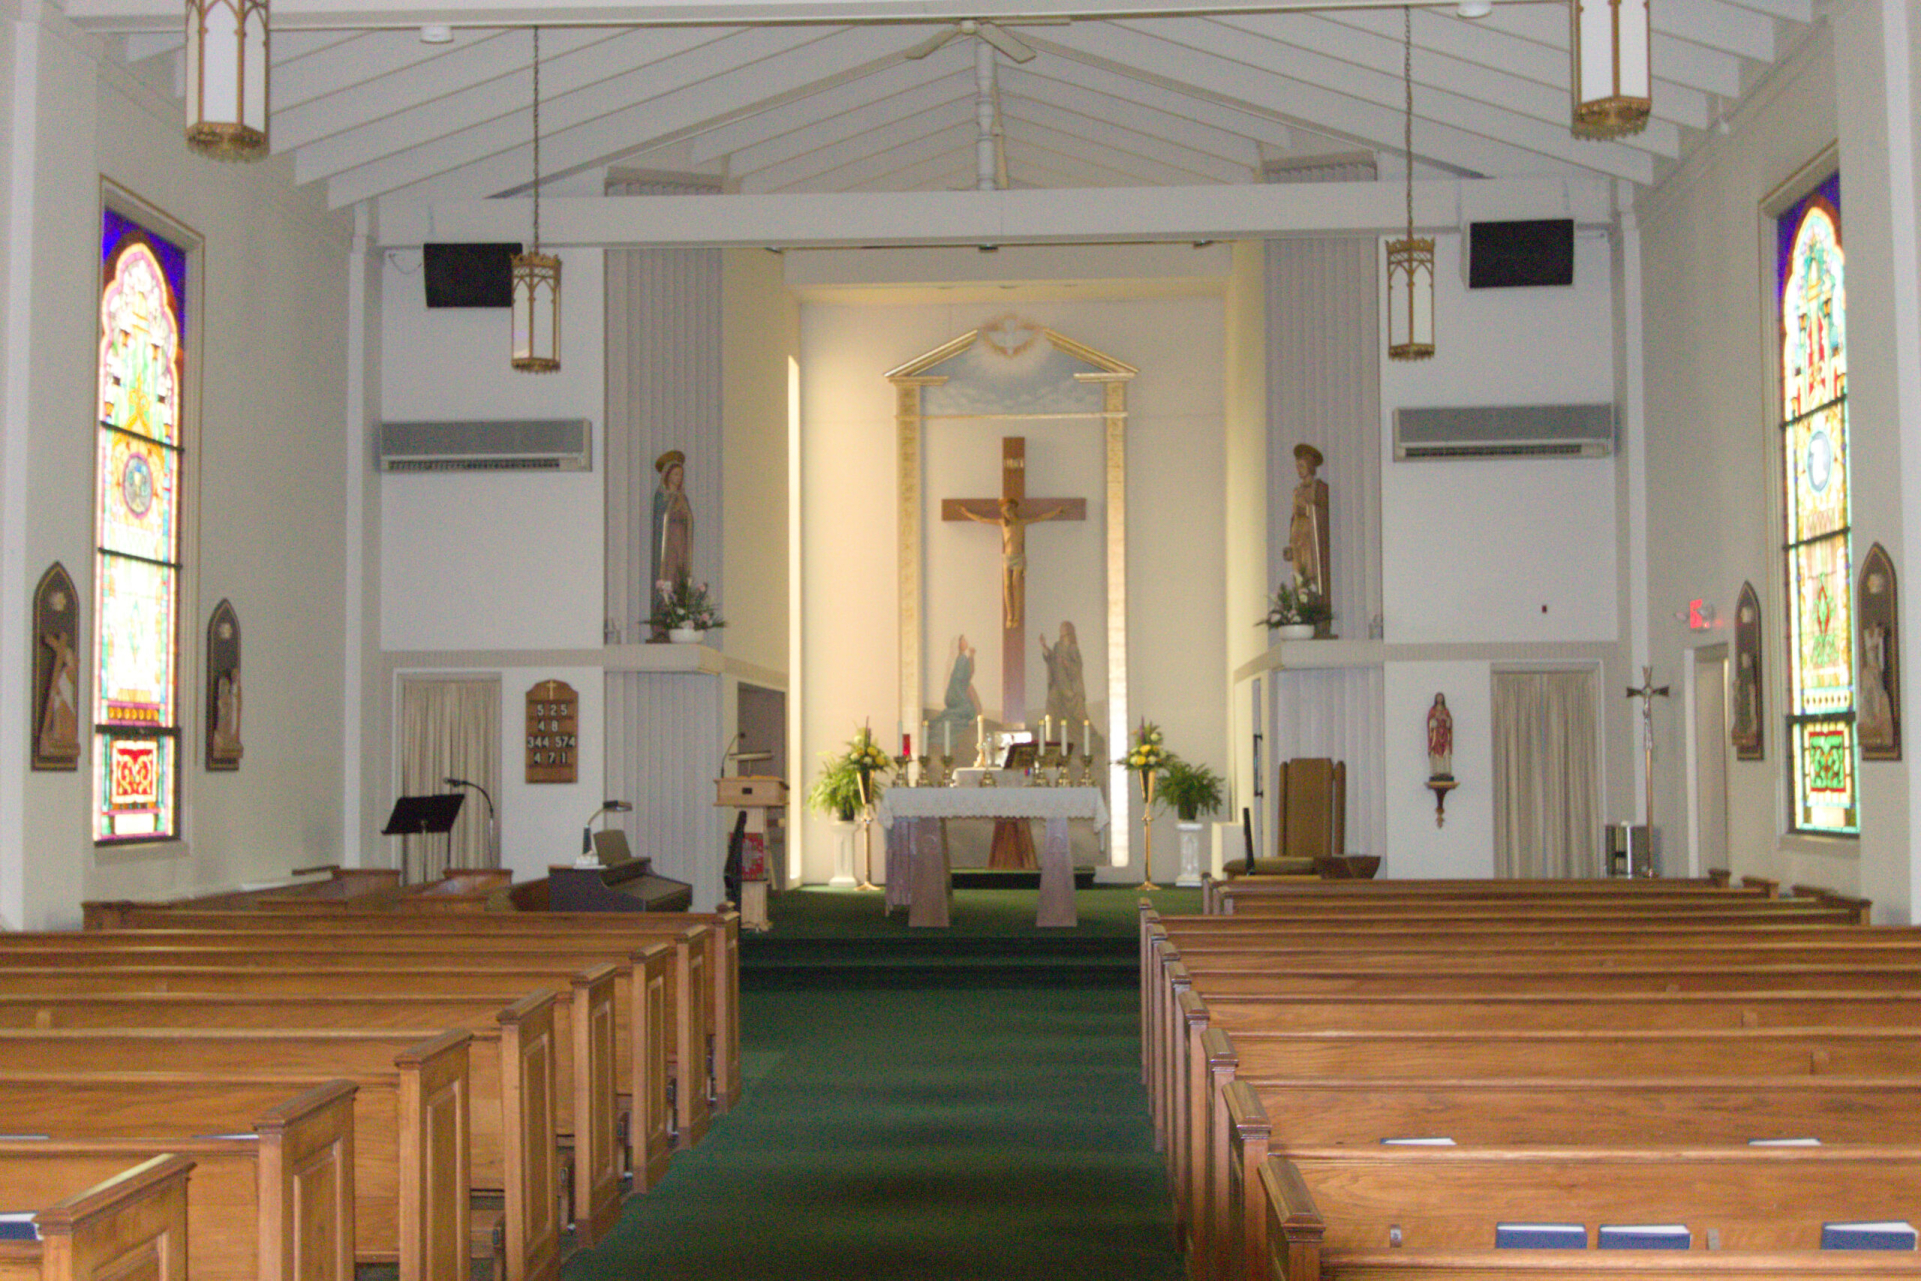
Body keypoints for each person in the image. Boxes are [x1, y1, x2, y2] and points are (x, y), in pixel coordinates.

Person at [959, 497, 1071, 630]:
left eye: (1008, 510)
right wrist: (966, 513)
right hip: (1007, 558)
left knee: (1016, 584)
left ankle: (1017, 616)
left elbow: (1040, 517)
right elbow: (982, 519)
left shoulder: (1021, 523)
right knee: (1007, 586)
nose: (1007, 513)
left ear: (1013, 509)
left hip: (1018, 558)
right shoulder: (1003, 523)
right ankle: (1009, 615)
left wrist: (1056, 512)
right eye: (1004, 511)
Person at [650, 450, 693, 639]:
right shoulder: (661, 495)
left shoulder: (683, 498)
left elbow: (690, 520)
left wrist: (683, 512)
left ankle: (678, 618)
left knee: (679, 577)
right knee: (666, 576)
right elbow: (661, 518)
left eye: (680, 475)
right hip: (666, 544)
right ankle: (661, 624)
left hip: (680, 542)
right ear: (667, 475)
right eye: (675, 474)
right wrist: (671, 507)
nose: (678, 478)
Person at [1284, 442, 1330, 604]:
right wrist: (1290, 543)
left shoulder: (1319, 487)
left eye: (1302, 465)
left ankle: (1312, 606)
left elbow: (1322, 512)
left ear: (1310, 467)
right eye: (1297, 466)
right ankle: (1301, 606)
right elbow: (1293, 517)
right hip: (1298, 536)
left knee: (1310, 573)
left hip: (1311, 537)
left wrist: (1309, 510)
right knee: (1298, 575)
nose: (1299, 469)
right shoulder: (1296, 491)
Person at [932, 634, 982, 752]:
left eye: (965, 639)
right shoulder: (961, 658)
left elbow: (968, 674)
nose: (965, 642)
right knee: (965, 711)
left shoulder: (963, 658)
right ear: (958, 644)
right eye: (963, 640)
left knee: (968, 711)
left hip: (961, 689)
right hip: (958, 692)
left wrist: (972, 657)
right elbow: (959, 678)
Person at [1040, 620, 1088, 732]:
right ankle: (1052, 733)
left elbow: (1078, 667)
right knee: (1051, 701)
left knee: (1076, 710)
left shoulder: (1073, 648)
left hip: (1069, 687)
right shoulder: (1057, 646)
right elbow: (1051, 658)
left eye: (1065, 634)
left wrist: (1067, 664)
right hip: (1058, 684)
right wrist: (1044, 646)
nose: (1063, 636)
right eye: (1061, 633)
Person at [1426, 692, 1453, 780]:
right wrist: (1435, 719)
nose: (1440, 699)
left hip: (1444, 734)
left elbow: (1449, 723)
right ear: (1436, 699)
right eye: (1438, 697)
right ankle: (1436, 771)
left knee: (1446, 750)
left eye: (1441, 698)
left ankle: (1445, 771)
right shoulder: (1433, 710)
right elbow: (1430, 722)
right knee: (1436, 750)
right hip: (1436, 735)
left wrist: (1446, 719)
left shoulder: (1446, 710)